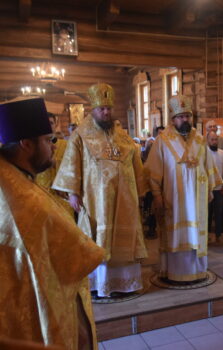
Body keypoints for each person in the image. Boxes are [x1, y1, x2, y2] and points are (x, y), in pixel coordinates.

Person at [0, 97, 104, 350]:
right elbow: (82, 256)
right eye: (48, 140)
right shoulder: (26, 202)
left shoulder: (11, 178)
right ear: (26, 144)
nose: (53, 147)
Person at [53, 83, 148, 298]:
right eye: (101, 109)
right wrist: (73, 193)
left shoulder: (122, 136)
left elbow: (135, 162)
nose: (106, 112)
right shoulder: (80, 135)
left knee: (125, 239)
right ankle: (101, 285)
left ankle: (126, 284)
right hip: (97, 200)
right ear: (93, 110)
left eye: (109, 108)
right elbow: (71, 164)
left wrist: (141, 190)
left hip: (125, 199)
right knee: (98, 239)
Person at [145, 95, 221, 283]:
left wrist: (210, 189)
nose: (185, 120)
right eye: (180, 116)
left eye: (187, 116)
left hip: (197, 199)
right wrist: (156, 195)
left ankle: (197, 271)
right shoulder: (163, 141)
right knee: (175, 234)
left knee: (196, 233)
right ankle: (174, 272)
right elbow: (153, 171)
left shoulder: (200, 139)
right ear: (172, 119)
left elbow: (207, 164)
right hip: (174, 199)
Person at [35, 113, 72, 215]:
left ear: (55, 125)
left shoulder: (66, 145)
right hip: (41, 195)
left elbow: (74, 168)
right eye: (45, 123)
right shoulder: (36, 146)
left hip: (62, 197)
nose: (48, 126)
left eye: (51, 123)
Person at [207, 131, 223, 242]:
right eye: (212, 139)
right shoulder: (204, 153)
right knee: (207, 213)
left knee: (219, 212)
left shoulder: (222, 153)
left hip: (219, 188)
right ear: (208, 140)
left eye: (216, 139)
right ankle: (206, 235)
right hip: (208, 188)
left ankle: (218, 235)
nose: (214, 142)